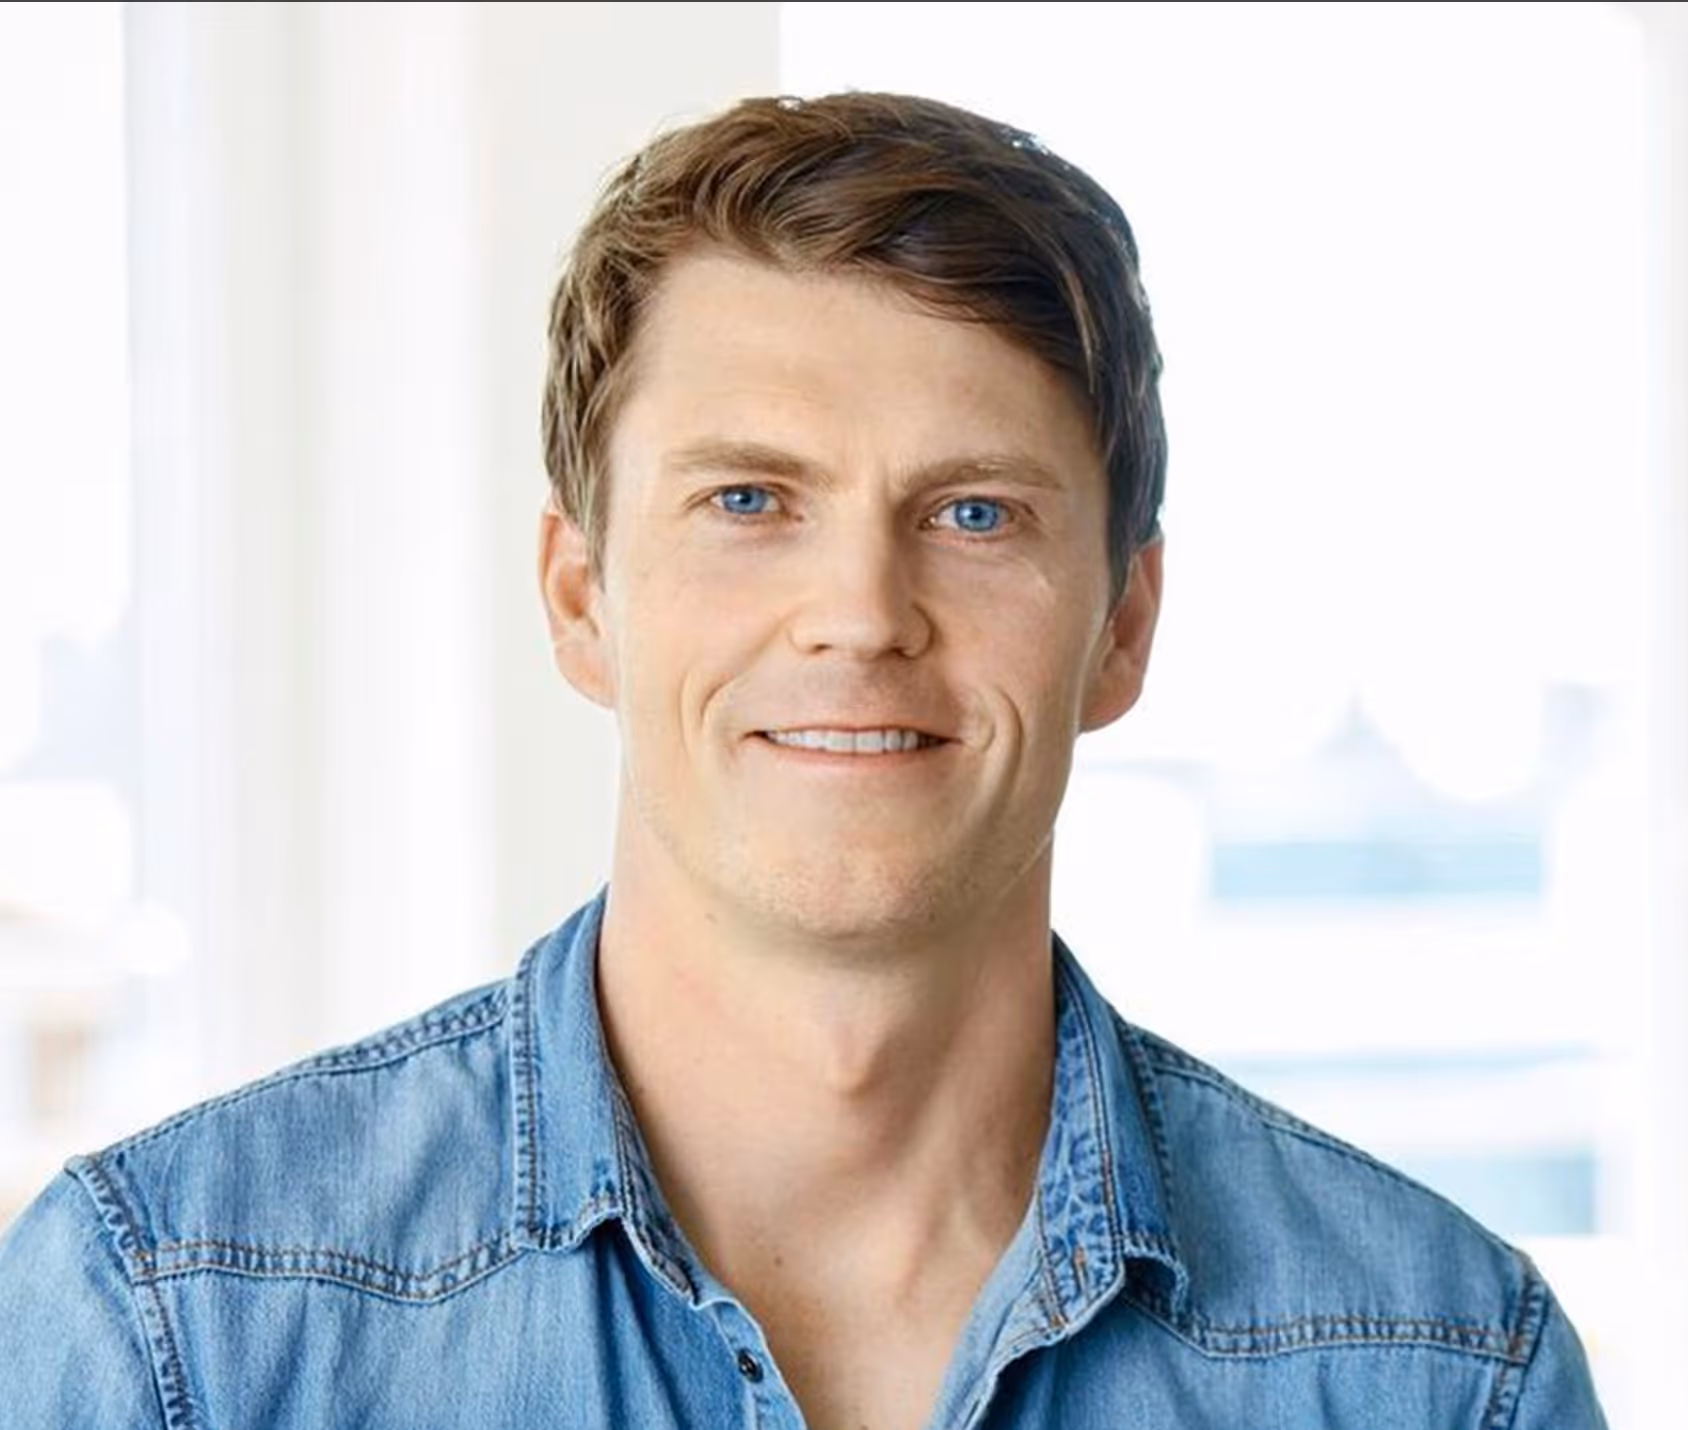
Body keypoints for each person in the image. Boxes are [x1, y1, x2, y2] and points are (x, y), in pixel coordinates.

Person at [0, 90, 1607, 1430]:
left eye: (975, 512)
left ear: (1123, 623)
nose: (860, 614)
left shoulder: (1440, 1369)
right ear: (580, 599)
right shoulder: (176, 1328)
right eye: (750, 500)